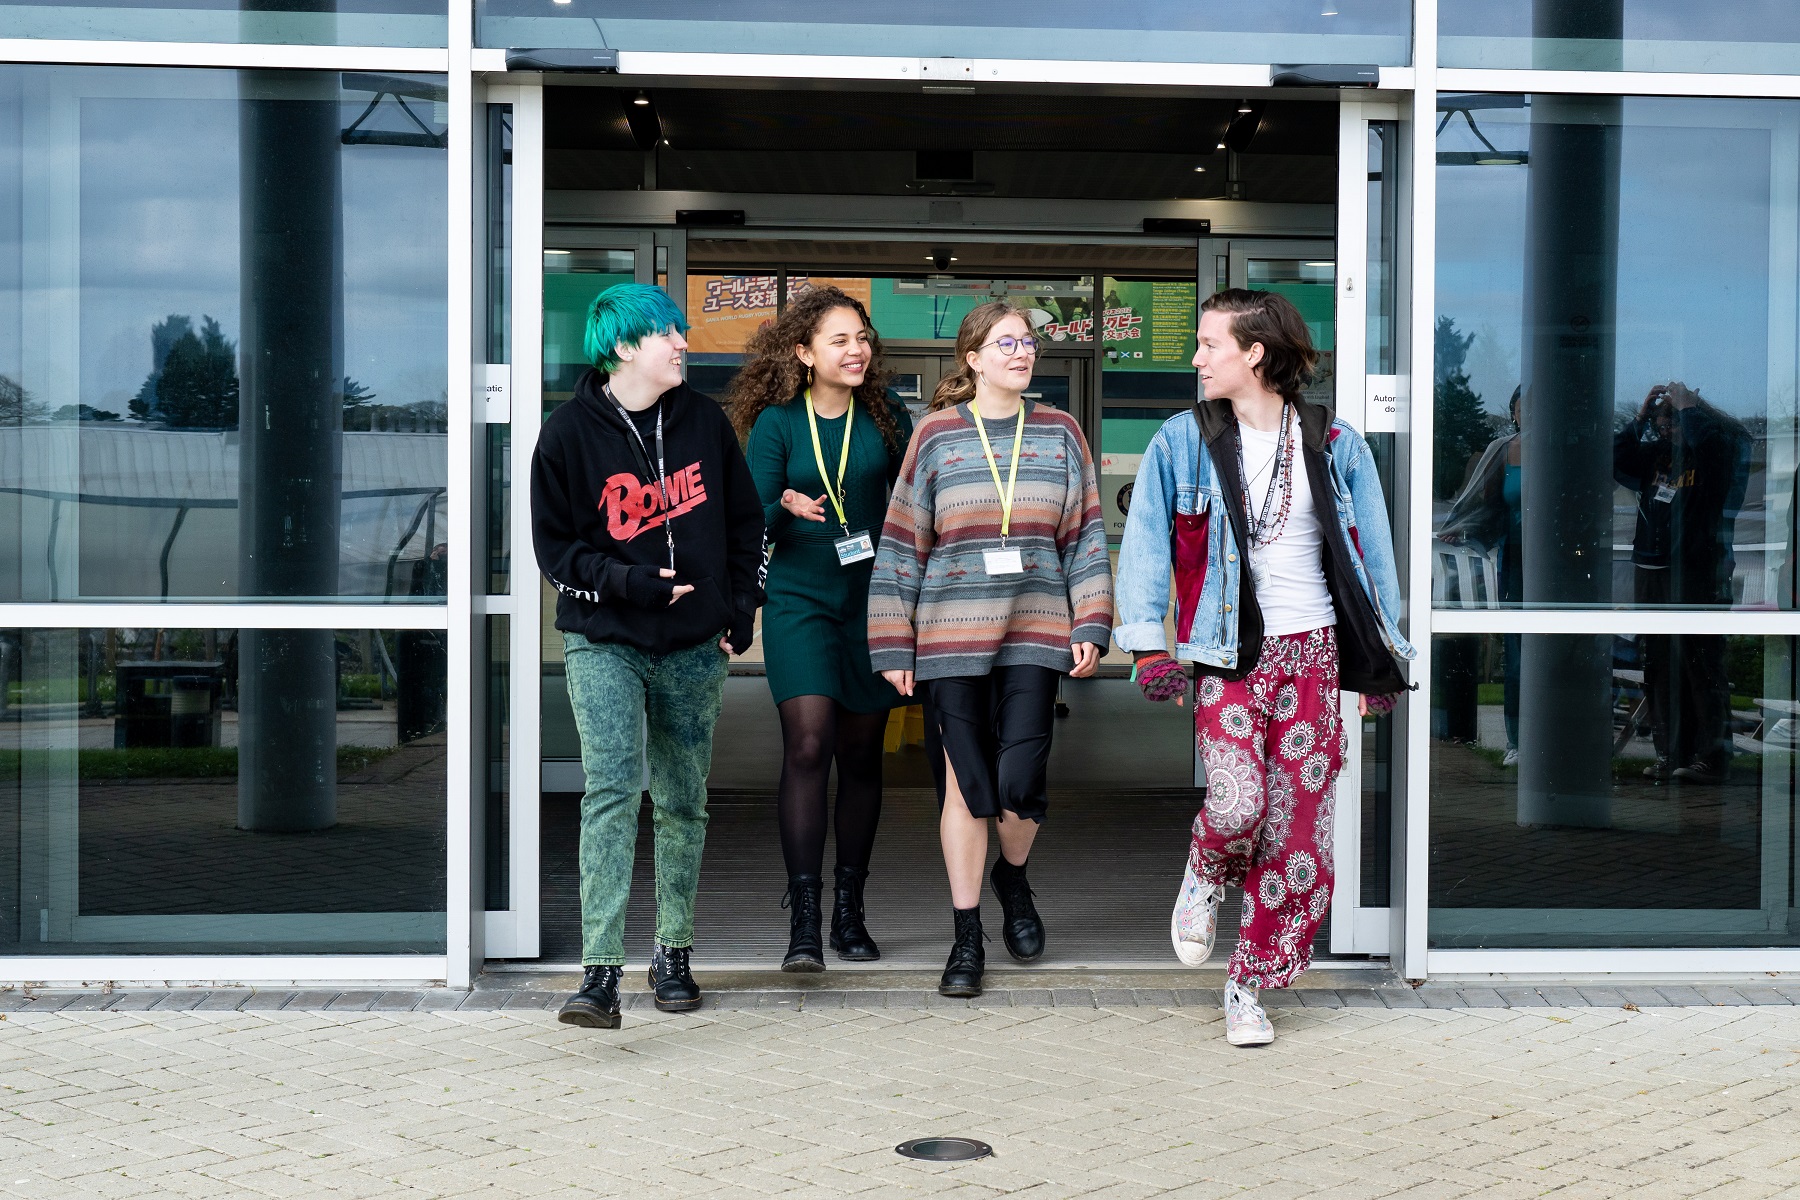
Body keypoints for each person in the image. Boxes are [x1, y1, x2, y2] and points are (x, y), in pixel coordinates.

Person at [1113, 288, 1413, 1047]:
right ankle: (1205, 870)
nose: (1197, 356)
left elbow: (1373, 560)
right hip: (1231, 653)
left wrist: (1381, 662)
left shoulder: (1336, 442)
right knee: (1240, 803)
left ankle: (1247, 985)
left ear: (1255, 352)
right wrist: (1150, 647)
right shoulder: (1181, 442)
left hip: (1314, 655)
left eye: (1210, 343)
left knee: (1298, 838)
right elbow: (1145, 546)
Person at [531, 283, 764, 1029]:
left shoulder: (705, 423)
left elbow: (745, 522)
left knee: (682, 798)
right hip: (605, 639)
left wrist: (740, 607)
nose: (682, 342)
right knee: (609, 789)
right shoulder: (566, 434)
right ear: (625, 346)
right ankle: (599, 974)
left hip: (695, 643)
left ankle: (673, 954)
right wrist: (627, 581)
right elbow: (555, 551)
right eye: (668, 332)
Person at [868, 301, 1114, 999]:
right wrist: (892, 642)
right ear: (972, 358)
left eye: (1029, 343)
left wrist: (1091, 622)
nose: (1021, 352)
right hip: (949, 639)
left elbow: (1087, 536)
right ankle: (967, 936)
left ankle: (1013, 876)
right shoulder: (937, 436)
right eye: (1006, 343)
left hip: (1036, 633)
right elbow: (902, 541)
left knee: (1019, 786)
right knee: (965, 787)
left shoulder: (1062, 432)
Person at [729, 286, 913, 971]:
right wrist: (779, 502)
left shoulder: (886, 415)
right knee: (808, 744)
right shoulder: (778, 424)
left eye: (862, 337)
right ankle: (803, 919)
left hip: (871, 602)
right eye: (839, 340)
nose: (856, 349)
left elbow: (914, 503)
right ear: (804, 353)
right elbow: (750, 521)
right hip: (799, 598)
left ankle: (849, 910)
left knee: (862, 758)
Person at [1613, 381, 1750, 784]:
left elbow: (1718, 447)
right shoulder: (1654, 456)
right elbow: (1615, 459)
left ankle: (1711, 755)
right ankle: (1671, 752)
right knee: (1659, 663)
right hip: (1652, 570)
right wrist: (1638, 419)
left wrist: (1691, 409)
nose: (1668, 429)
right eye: (1662, 422)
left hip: (1696, 569)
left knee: (1700, 662)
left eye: (1674, 420)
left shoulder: (1714, 451)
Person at [1439, 386, 1524, 764]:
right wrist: (1464, 530)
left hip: (1561, 565)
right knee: (1519, 654)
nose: (1529, 415)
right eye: (1523, 408)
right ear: (1514, 413)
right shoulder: (1505, 450)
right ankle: (1517, 739)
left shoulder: (1562, 449)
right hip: (1516, 564)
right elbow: (1485, 505)